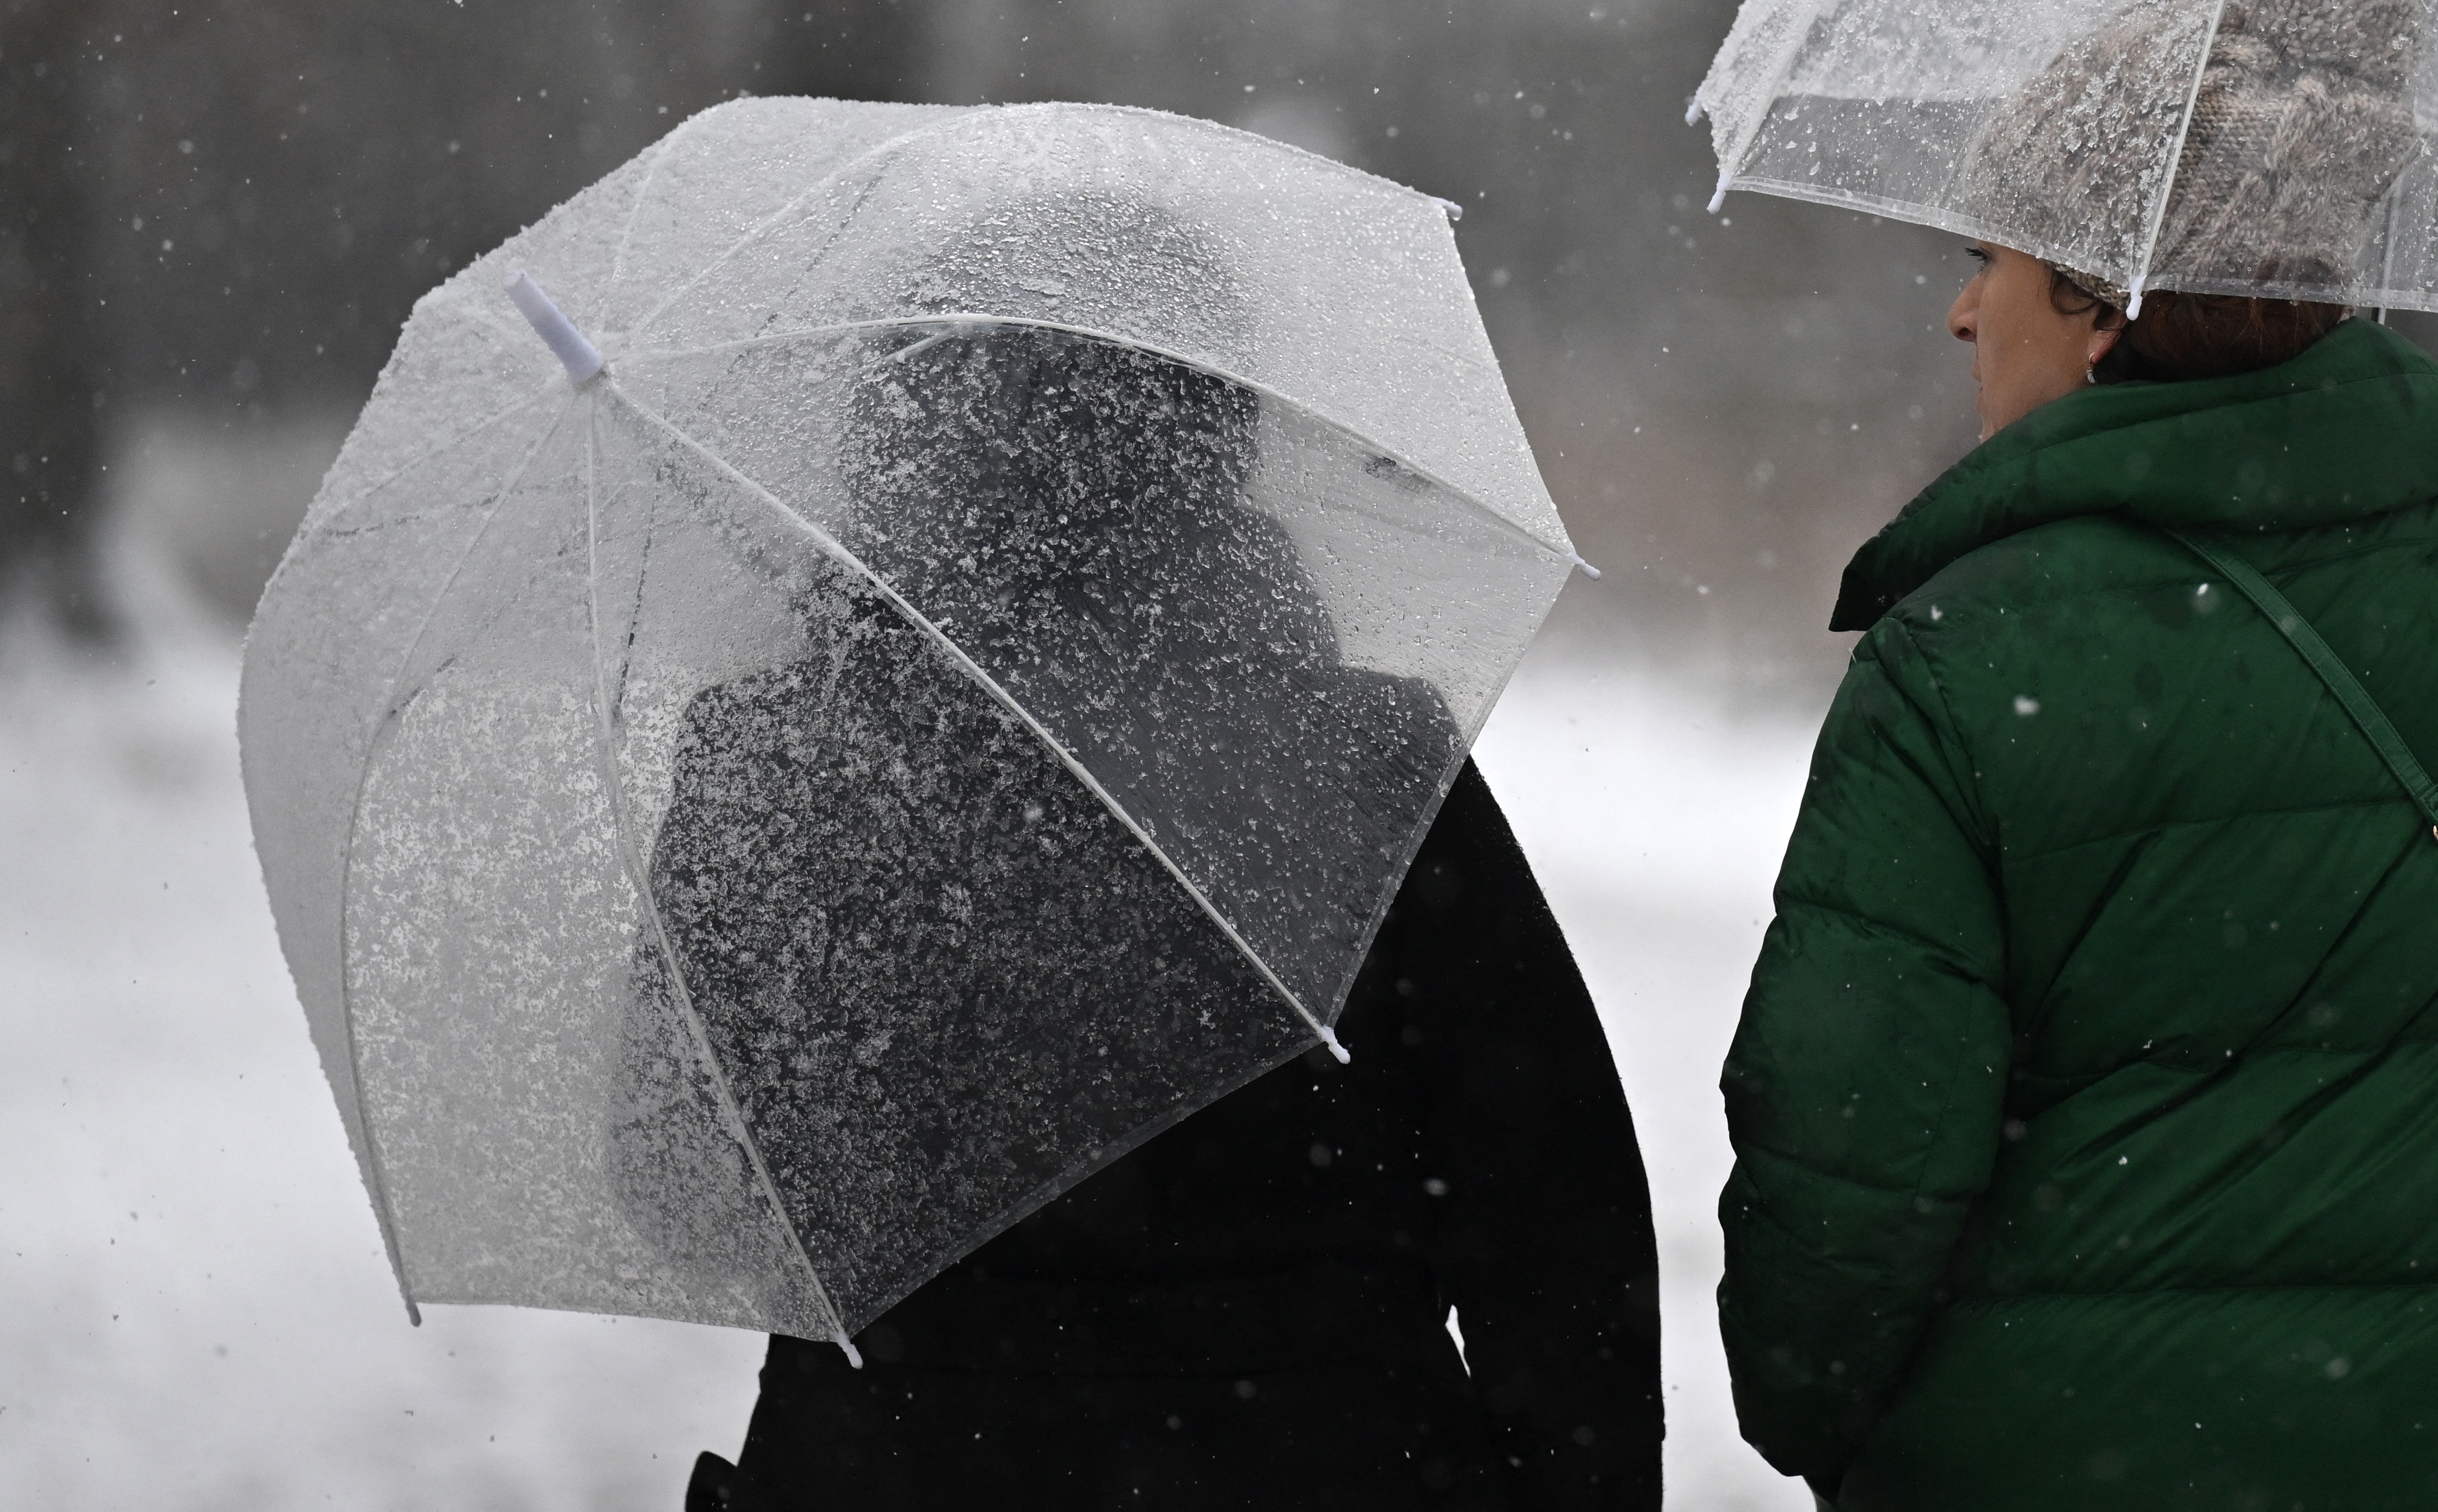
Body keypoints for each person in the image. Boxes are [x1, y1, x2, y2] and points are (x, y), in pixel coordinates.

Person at [1714, 0, 2438, 1509]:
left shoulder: (1958, 664)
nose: (1963, 311)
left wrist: (1829, 1419)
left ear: (2103, 307)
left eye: (1992, 255)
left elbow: (1846, 1166)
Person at [612, 304, 1660, 1511]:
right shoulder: (1363, 762)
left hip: (900, 1457)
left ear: (902, 444)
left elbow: (676, 1176)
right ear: (1216, 449)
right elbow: (1553, 1217)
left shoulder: (788, 761)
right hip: (1331, 1459)